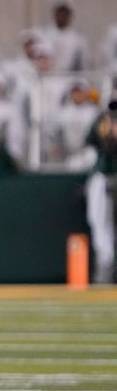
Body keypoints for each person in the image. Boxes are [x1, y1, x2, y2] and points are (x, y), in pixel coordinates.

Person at [83, 99, 117, 283]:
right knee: (100, 222)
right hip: (104, 174)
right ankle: (105, 266)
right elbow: (92, 141)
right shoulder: (105, 117)